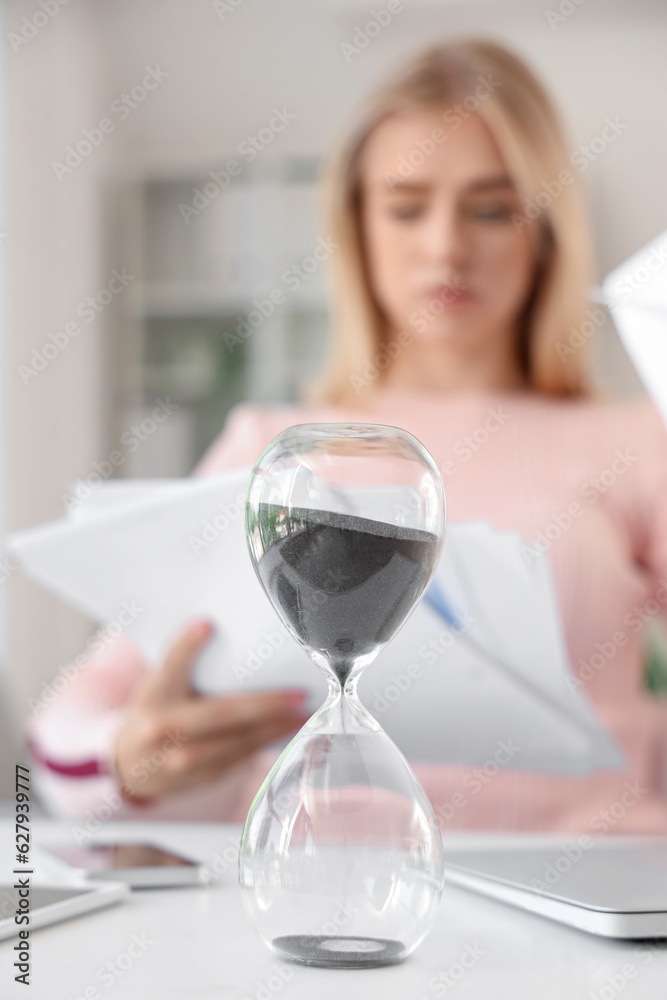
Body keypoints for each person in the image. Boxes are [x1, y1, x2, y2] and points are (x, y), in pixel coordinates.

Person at [28, 40, 667, 833]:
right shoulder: (272, 450)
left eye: (492, 207)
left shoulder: (639, 440)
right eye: (405, 207)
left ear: (544, 230)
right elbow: (64, 729)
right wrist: (135, 759)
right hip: (326, 892)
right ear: (355, 224)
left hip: (594, 898)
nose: (444, 247)